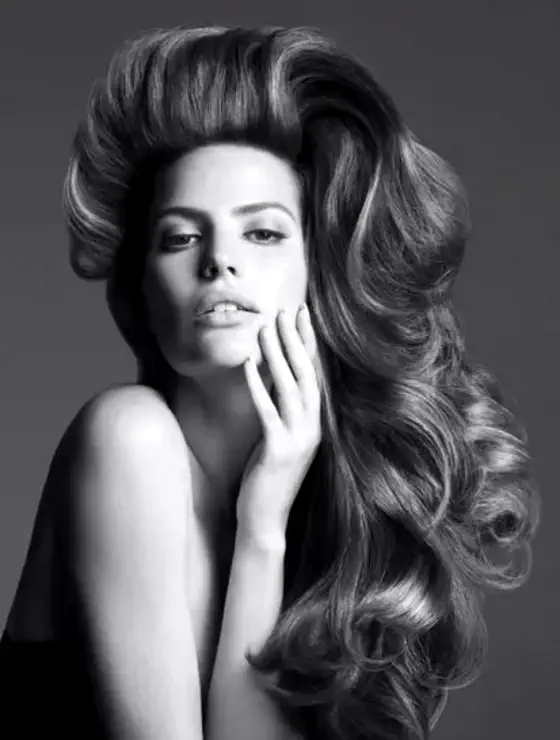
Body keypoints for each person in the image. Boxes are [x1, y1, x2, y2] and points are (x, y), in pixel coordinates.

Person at [0, 24, 540, 740]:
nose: (218, 261)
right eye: (181, 237)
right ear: (144, 287)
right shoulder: (128, 440)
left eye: (262, 233)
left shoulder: (322, 510)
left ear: (320, 272)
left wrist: (263, 522)